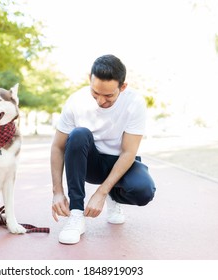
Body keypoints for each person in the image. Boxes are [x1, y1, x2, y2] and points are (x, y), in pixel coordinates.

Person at [50, 54, 156, 245]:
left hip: (120, 161)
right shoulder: (75, 101)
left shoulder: (135, 103)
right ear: (89, 79)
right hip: (91, 162)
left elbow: (128, 153)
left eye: (108, 96)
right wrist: (57, 191)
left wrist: (101, 192)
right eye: (95, 93)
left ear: (122, 87)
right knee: (78, 134)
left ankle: (113, 195)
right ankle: (76, 215)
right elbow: (58, 147)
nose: (100, 101)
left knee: (144, 191)